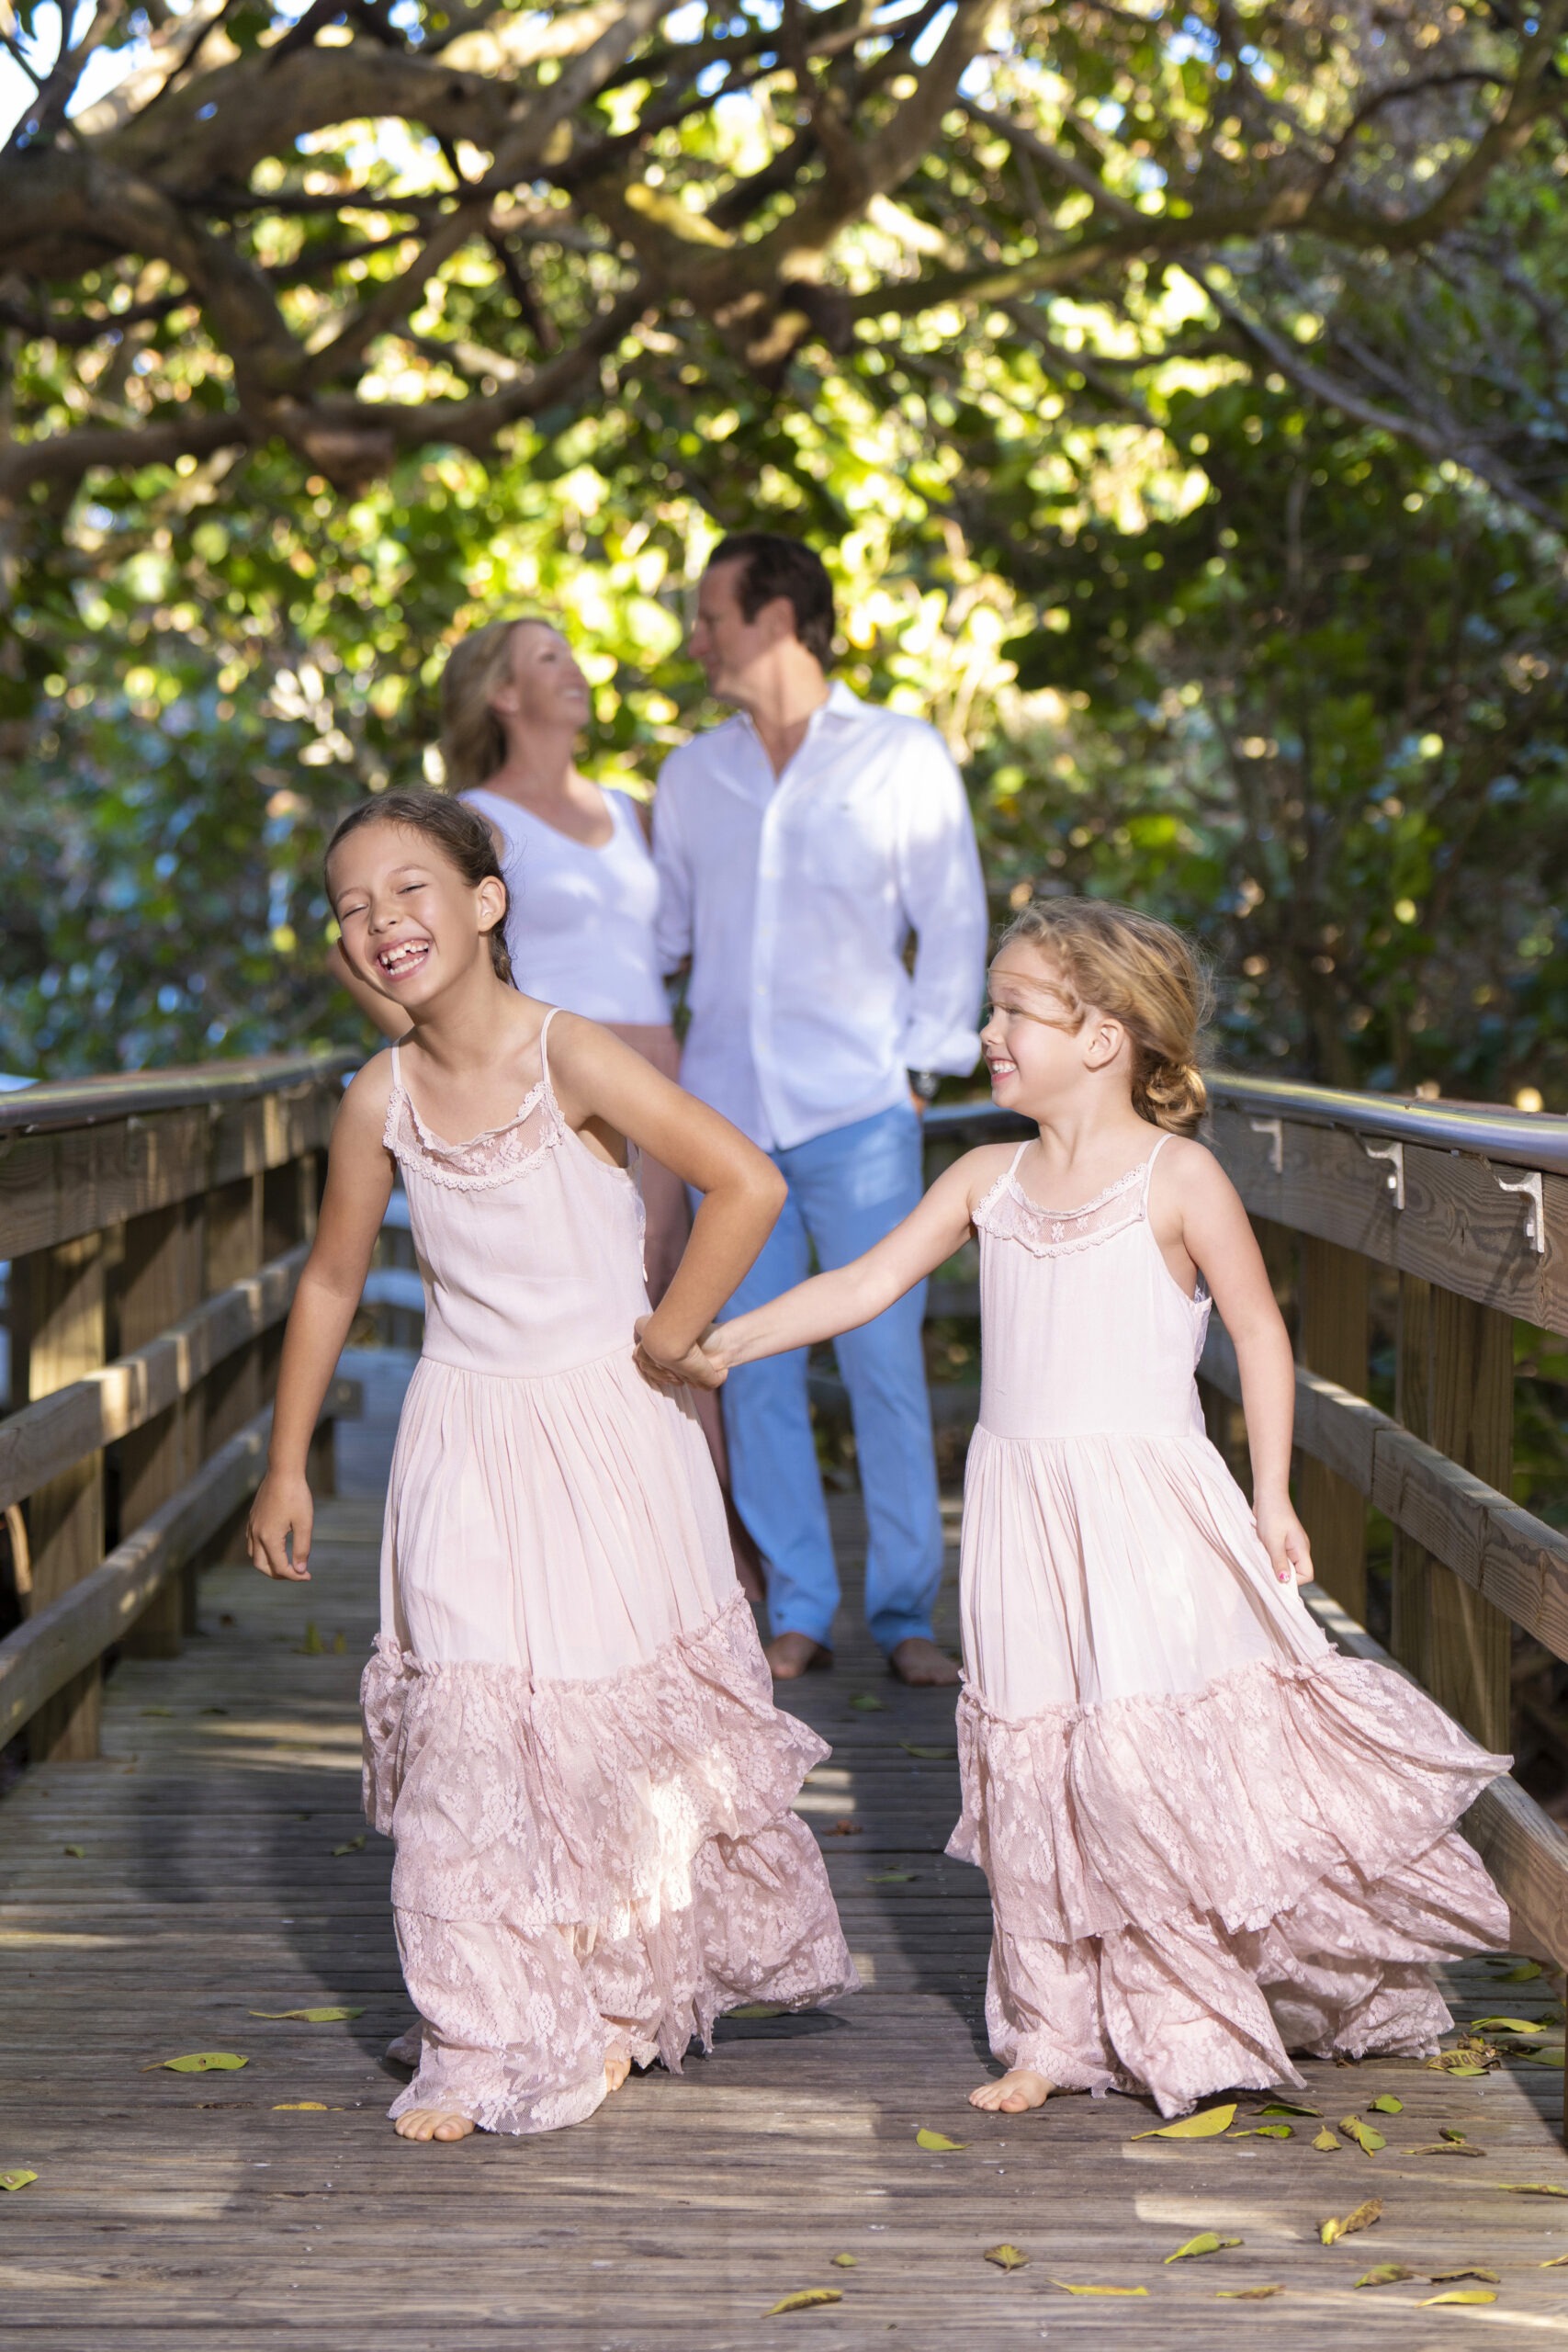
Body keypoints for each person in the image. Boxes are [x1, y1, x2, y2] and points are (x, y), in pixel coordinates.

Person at [655, 897, 1509, 2119]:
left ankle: (1194, 2023)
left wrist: (1268, 1491)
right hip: (1018, 1511)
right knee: (1037, 1756)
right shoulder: (983, 1175)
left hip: (1145, 1511)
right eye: (991, 1006)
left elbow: (1260, 1335)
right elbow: (862, 1279)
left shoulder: (1179, 1176)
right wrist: (722, 1342)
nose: (986, 1032)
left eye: (1014, 1010)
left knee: (1141, 1761)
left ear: (1104, 1037)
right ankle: (1051, 2032)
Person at [250, 792, 854, 2142]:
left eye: (409, 889)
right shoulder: (378, 1096)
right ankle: (480, 2033)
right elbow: (336, 1277)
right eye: (351, 908)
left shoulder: (568, 1053)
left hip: (606, 1423)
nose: (380, 922)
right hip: (462, 1433)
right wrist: (285, 1463)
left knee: (595, 1733)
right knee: (469, 1728)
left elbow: (743, 1180)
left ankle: (615, 2006)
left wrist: (668, 1330)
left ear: (485, 900)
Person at [653, 533, 988, 1687]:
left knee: (886, 1360)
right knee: (748, 1368)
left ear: (780, 616)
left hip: (860, 1112)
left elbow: (953, 923)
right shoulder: (692, 775)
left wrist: (919, 1070)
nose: (698, 640)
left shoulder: (900, 756)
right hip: (725, 1120)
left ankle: (906, 1616)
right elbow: (662, 940)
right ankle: (796, 1603)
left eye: (713, 618)